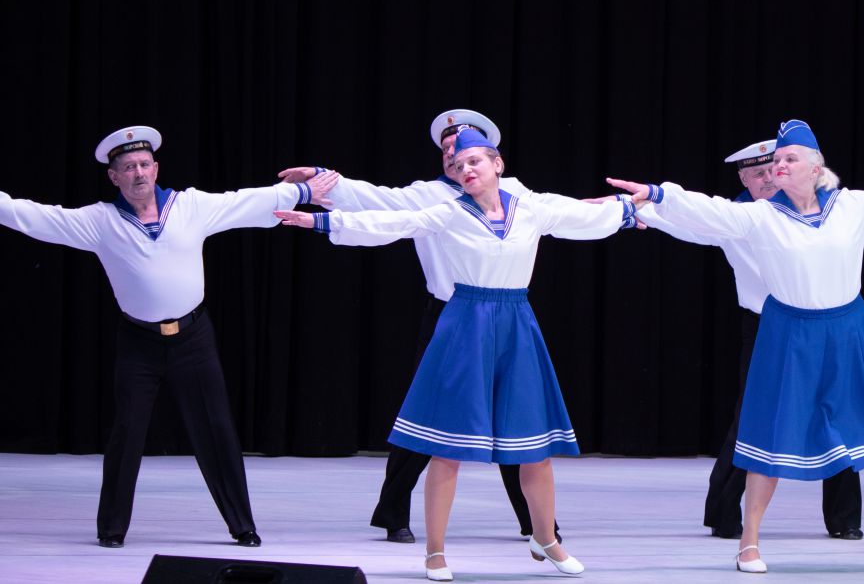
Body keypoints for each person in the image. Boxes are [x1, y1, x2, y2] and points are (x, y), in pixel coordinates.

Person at [608, 118, 864, 573]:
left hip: (848, 333)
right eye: (775, 160)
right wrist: (657, 194)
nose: (778, 165)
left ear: (816, 167)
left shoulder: (852, 206)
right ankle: (748, 541)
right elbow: (706, 211)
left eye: (789, 158)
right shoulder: (760, 216)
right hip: (788, 334)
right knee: (769, 434)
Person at [278, 128, 633, 581]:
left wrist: (633, 209)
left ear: (498, 164)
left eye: (474, 161)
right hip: (466, 324)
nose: (464, 168)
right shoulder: (447, 210)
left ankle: (546, 539)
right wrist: (322, 222)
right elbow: (391, 222)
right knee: (446, 450)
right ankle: (435, 552)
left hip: (517, 324)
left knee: (534, 448)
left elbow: (580, 217)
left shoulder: (529, 206)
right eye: (458, 163)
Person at [0, 125, 334, 548]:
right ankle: (112, 528)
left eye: (144, 164)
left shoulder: (189, 206)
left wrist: (300, 192)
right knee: (127, 432)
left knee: (216, 430)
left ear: (156, 169)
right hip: (138, 343)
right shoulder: (100, 221)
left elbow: (244, 202)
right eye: (128, 167)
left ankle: (242, 525)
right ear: (114, 177)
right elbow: (33, 216)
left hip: (193, 340)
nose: (138, 173)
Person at [279, 109, 541, 544]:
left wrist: (624, 209)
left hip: (501, 315)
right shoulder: (429, 196)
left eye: (463, 149)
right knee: (425, 415)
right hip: (450, 318)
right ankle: (393, 512)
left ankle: (536, 519)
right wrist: (325, 181)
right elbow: (377, 202)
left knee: (512, 412)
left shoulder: (514, 193)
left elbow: (561, 209)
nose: (454, 156)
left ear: (492, 157)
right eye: (447, 150)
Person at [638, 139, 863, 540]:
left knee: (835, 412)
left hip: (821, 327)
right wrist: (633, 209)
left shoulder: (821, 211)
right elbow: (684, 219)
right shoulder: (737, 216)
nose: (768, 178)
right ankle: (723, 512)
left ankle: (845, 519)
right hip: (765, 327)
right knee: (753, 418)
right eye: (757, 173)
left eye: (772, 168)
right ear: (744, 180)